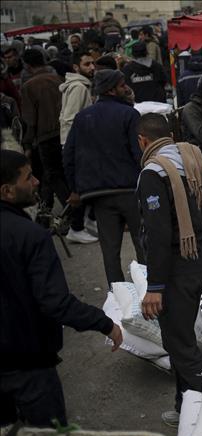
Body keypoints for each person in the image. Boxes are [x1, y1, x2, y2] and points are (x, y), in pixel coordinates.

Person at [0, 149, 122, 428]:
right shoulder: (31, 236)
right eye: (28, 177)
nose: (36, 182)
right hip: (29, 366)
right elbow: (54, 302)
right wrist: (104, 323)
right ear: (7, 191)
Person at [135, 113, 202, 427]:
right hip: (200, 261)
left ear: (142, 141)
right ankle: (185, 404)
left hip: (177, 269)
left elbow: (158, 234)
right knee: (181, 336)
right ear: (170, 136)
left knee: (179, 344)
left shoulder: (153, 173)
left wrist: (155, 287)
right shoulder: (193, 162)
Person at [63, 70, 145, 285]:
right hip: (130, 191)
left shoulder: (82, 117)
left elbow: (69, 155)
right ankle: (149, 290)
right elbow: (139, 154)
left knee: (110, 251)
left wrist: (75, 189)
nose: (126, 88)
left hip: (98, 195)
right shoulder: (129, 114)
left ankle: (117, 294)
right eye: (122, 85)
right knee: (143, 245)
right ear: (111, 90)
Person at [20, 49, 66, 219]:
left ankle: (71, 212)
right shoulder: (58, 79)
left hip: (45, 137)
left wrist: (27, 144)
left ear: (27, 65)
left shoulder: (29, 86)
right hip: (63, 133)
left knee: (52, 174)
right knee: (60, 173)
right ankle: (50, 209)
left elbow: (30, 120)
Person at [59, 50, 98, 245]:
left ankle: (89, 220)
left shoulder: (80, 85)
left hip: (77, 144)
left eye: (92, 63)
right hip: (76, 145)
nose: (92, 67)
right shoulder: (79, 87)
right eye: (87, 64)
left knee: (87, 184)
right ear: (76, 67)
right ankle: (76, 228)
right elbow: (69, 118)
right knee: (79, 187)